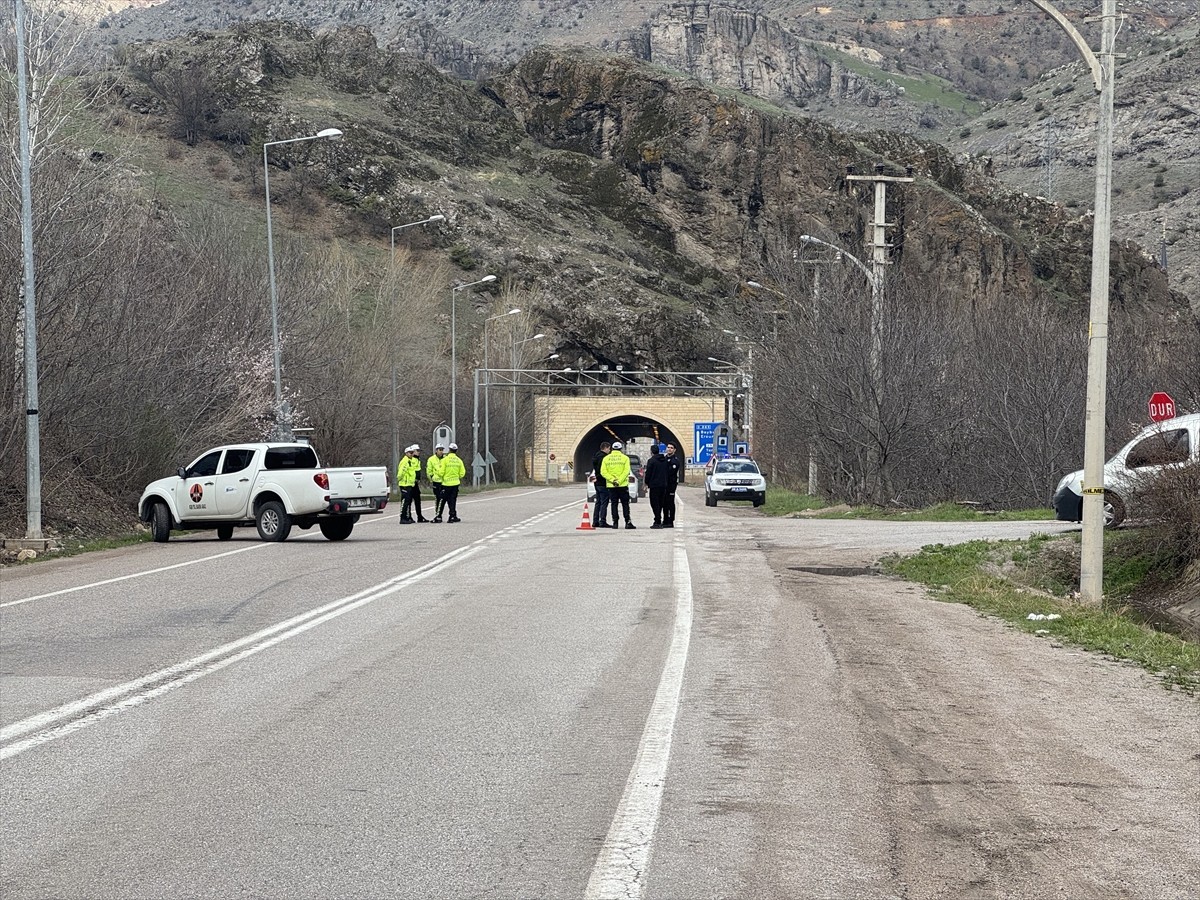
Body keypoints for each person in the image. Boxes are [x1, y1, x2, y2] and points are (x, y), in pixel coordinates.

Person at [600, 440, 635, 529]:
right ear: (621, 449)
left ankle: (615, 523)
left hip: (611, 486)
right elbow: (626, 471)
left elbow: (603, 472)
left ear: (612, 449)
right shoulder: (625, 458)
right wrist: (619, 481)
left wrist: (613, 480)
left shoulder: (606, 458)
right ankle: (628, 522)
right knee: (625, 504)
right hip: (622, 485)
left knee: (614, 504)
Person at [397, 444, 429, 524]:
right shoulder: (407, 461)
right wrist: (402, 480)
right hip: (406, 484)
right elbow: (401, 473)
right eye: (416, 451)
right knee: (407, 501)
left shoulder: (415, 460)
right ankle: (405, 517)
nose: (418, 452)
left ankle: (414, 517)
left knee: (414, 500)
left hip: (412, 483)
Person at [643, 443, 672, 528]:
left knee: (654, 503)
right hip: (663, 485)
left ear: (651, 452)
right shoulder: (665, 461)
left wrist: (646, 483)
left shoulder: (651, 461)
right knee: (660, 503)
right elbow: (668, 472)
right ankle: (658, 519)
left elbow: (648, 473)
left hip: (654, 485)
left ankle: (657, 521)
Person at [441, 442, 467, 523]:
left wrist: (442, 477)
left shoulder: (445, 460)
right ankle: (453, 515)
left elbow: (441, 472)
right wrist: (457, 477)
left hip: (446, 483)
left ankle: (441, 516)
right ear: (456, 451)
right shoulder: (459, 460)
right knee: (453, 500)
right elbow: (462, 473)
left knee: (443, 500)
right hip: (455, 483)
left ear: (449, 450)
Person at [591, 440, 612, 528]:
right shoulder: (604, 458)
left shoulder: (596, 456)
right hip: (603, 482)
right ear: (606, 448)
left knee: (598, 502)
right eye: (609, 449)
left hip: (597, 483)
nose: (609, 451)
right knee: (604, 502)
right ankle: (602, 521)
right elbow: (603, 471)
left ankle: (595, 521)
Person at [663, 441, 683, 528]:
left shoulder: (675, 461)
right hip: (664, 484)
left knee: (670, 502)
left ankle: (671, 521)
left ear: (674, 450)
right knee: (664, 502)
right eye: (668, 447)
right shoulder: (664, 459)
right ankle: (665, 519)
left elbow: (671, 472)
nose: (669, 449)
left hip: (671, 484)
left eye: (671, 448)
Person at [427, 444, 447, 522]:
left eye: (442, 450)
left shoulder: (446, 458)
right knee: (438, 498)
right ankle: (438, 515)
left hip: (445, 482)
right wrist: (432, 478)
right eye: (440, 450)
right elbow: (429, 471)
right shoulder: (431, 459)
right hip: (436, 482)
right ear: (436, 450)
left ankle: (450, 514)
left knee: (445, 499)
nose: (441, 451)